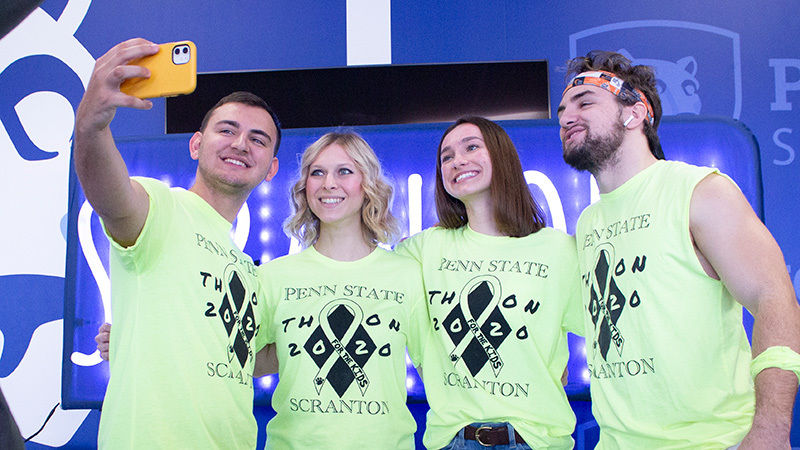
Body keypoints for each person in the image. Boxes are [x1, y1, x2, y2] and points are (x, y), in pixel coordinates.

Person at [558, 50, 800, 448]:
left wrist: (771, 429)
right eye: (564, 108)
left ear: (634, 114)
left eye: (585, 103)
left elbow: (774, 298)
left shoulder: (700, 191)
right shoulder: (588, 223)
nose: (567, 117)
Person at [74, 38, 280, 448]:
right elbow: (111, 197)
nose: (241, 143)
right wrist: (91, 126)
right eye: (227, 130)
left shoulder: (246, 268)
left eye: (258, 139)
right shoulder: (160, 207)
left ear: (270, 168)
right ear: (196, 144)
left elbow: (248, 358)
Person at [395, 117, 583, 449]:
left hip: (537, 441)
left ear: (501, 155)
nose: (458, 161)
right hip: (454, 440)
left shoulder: (558, 249)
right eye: (447, 156)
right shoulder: (422, 250)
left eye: (471, 147)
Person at [258, 132, 429, 449]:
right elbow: (247, 362)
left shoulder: (406, 274)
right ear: (304, 186)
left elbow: (435, 369)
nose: (328, 184)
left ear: (368, 185)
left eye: (344, 171)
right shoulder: (273, 276)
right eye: (317, 172)